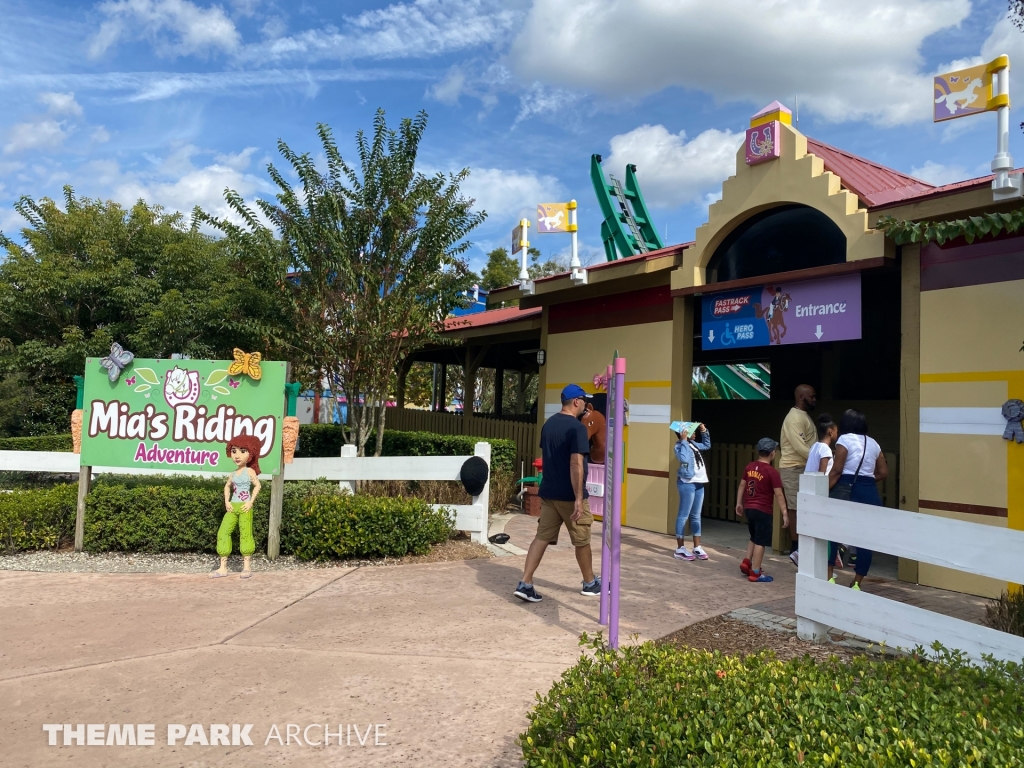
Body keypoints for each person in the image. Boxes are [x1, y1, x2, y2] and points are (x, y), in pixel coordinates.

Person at [515, 384, 600, 603]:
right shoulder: (577, 428)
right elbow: (576, 464)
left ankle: (525, 583)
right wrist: (579, 498)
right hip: (569, 496)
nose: (584, 404)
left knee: (541, 537)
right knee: (582, 540)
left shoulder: (549, 424)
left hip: (549, 492)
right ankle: (590, 583)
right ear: (576, 402)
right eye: (583, 400)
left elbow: (550, 457)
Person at [827, 409, 888, 590]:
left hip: (847, 489)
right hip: (869, 491)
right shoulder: (874, 444)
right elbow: (884, 472)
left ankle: (829, 577)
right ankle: (857, 583)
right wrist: (867, 480)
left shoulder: (844, 440)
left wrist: (824, 489)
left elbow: (837, 470)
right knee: (865, 540)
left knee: (831, 533)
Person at [735, 438, 789, 583]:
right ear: (772, 453)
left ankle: (747, 562)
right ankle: (756, 572)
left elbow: (742, 485)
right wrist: (784, 512)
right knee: (761, 541)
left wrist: (739, 503)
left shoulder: (749, 467)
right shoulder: (772, 472)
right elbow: (778, 494)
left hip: (749, 508)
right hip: (763, 510)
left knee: (753, 536)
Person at [211, 434, 263, 579]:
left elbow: (258, 485)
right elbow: (227, 487)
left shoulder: (249, 472)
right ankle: (223, 567)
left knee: (245, 533)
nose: (237, 456)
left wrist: (250, 502)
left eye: (242, 451)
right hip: (233, 506)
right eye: (234, 451)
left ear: (250, 454)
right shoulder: (233, 474)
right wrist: (227, 502)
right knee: (223, 532)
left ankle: (246, 567)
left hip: (245, 507)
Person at [779, 384, 817, 566]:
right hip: (793, 467)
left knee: (804, 507)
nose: (815, 399)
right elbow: (800, 446)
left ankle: (801, 548)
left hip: (804, 467)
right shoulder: (794, 418)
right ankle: (796, 548)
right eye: (812, 396)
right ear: (802, 397)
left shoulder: (803, 416)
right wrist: (819, 458)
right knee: (795, 508)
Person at [673, 422, 711, 560]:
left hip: (699, 482)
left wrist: (704, 430)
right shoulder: (679, 446)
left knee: (696, 515)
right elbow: (683, 459)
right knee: (683, 515)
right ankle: (680, 548)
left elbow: (707, 445)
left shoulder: (694, 445)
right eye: (692, 431)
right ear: (684, 433)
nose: (695, 433)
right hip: (687, 483)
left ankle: (697, 547)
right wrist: (683, 441)